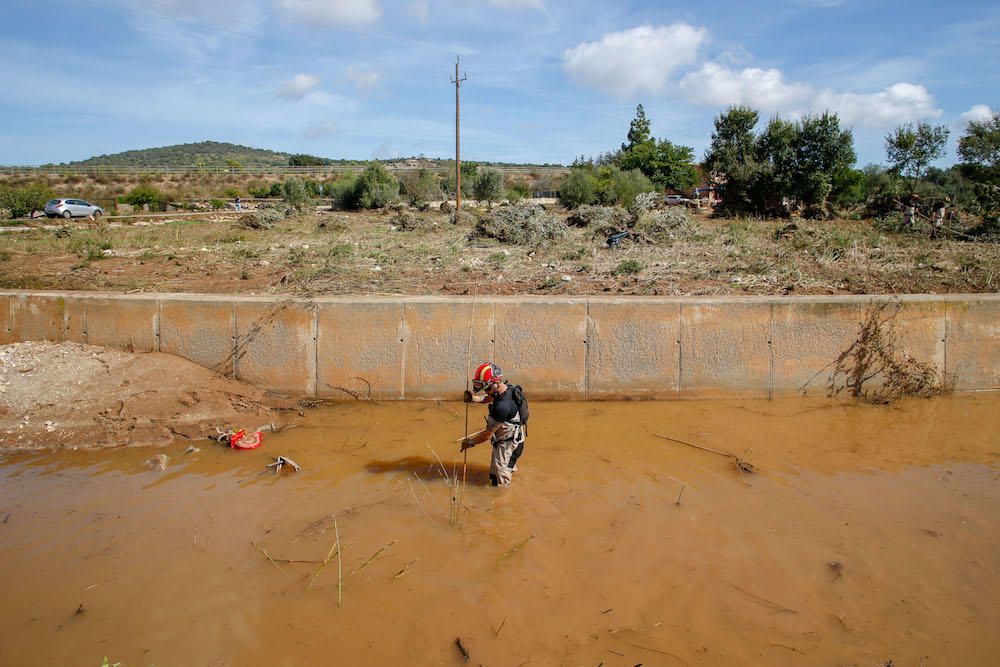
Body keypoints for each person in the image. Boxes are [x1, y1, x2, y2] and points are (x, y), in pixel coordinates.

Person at [460, 362, 527, 487]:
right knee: (504, 469)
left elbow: (487, 434)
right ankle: (510, 471)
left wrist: (469, 442)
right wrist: (473, 399)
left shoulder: (501, 407)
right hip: (516, 441)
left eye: (487, 388)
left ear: (496, 382)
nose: (485, 392)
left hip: (507, 446)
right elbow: (490, 398)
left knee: (499, 486)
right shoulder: (506, 389)